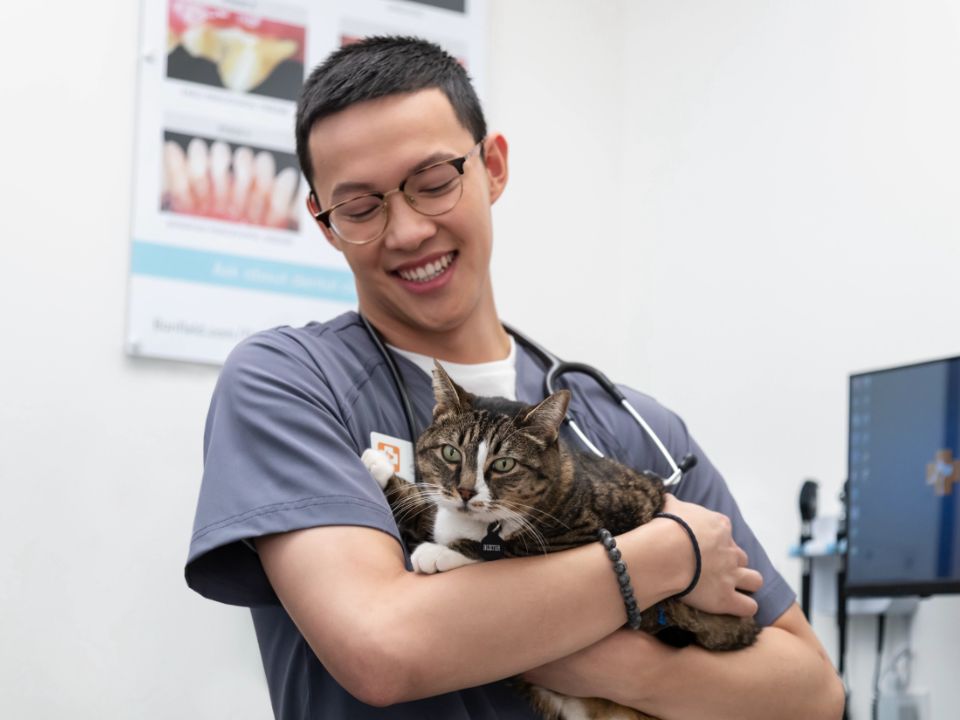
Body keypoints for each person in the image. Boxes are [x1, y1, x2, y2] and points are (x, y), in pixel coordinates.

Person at [186, 36, 844, 719]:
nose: (407, 231)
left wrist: (611, 666)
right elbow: (383, 648)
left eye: (435, 183)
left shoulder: (633, 427)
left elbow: (812, 693)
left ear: (493, 167)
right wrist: (666, 555)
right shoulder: (289, 385)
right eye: (360, 209)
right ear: (325, 225)